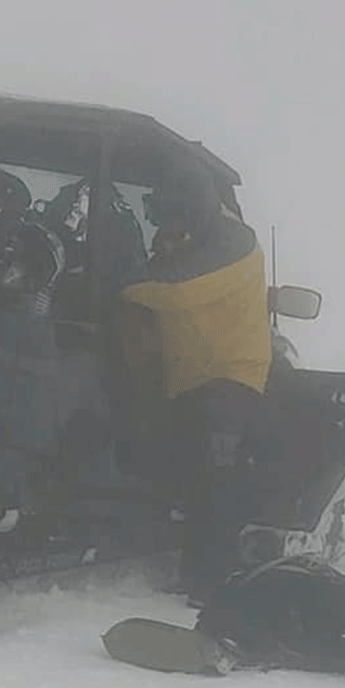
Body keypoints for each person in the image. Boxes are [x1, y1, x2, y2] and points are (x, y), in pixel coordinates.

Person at [114, 161, 273, 606]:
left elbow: (178, 290)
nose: (169, 227)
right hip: (190, 381)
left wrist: (122, 282)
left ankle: (216, 584)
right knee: (193, 479)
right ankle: (196, 574)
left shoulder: (233, 241)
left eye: (175, 215)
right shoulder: (197, 239)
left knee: (215, 479)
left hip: (230, 379)